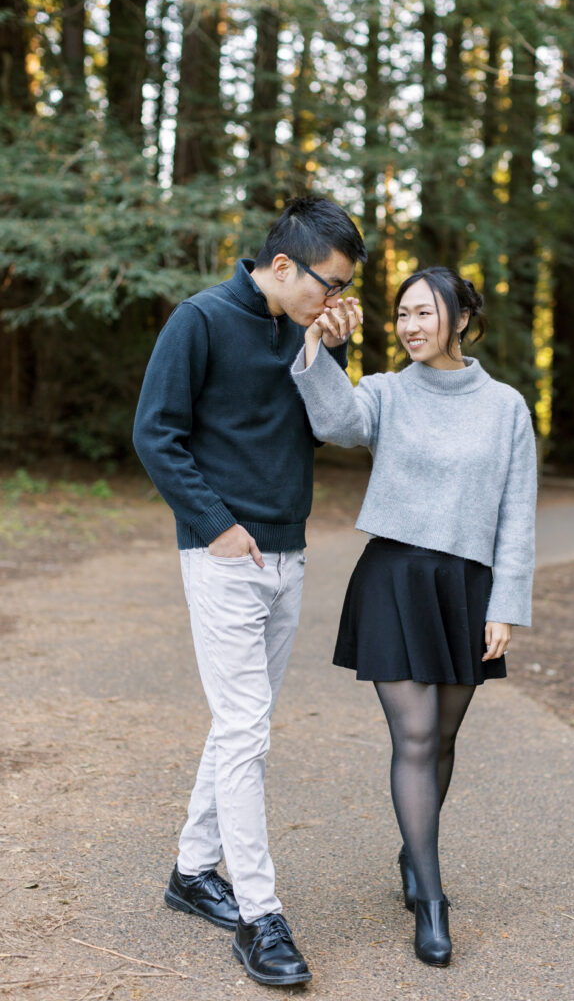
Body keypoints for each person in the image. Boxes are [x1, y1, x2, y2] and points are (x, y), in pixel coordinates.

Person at [133, 197, 366, 987]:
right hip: (226, 555)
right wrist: (217, 527)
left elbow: (338, 428)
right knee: (246, 732)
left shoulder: (304, 333)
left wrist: (329, 348)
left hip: (289, 554)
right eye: (325, 285)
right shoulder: (198, 322)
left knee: (243, 723)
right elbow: (154, 432)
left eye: (338, 289)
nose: (330, 299)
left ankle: (192, 870)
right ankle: (261, 917)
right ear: (279, 266)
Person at [291, 267, 536, 967]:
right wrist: (316, 346)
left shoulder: (505, 407)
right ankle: (431, 899)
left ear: (459, 318)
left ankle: (412, 848)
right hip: (395, 577)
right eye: (401, 314)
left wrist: (506, 605)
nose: (410, 326)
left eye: (424, 313)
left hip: (466, 585)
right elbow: (335, 422)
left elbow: (516, 512)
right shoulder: (385, 392)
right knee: (418, 733)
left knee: (445, 737)